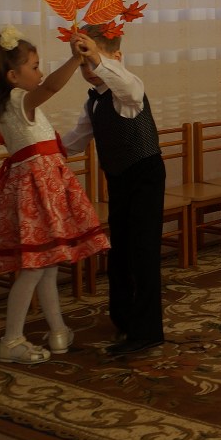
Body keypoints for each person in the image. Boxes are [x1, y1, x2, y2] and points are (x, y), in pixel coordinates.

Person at [0, 26, 110, 365]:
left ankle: (58, 330)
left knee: (47, 265)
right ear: (13, 76)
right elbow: (50, 86)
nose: (40, 73)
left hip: (42, 186)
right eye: (34, 66)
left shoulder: (14, 103)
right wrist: (74, 59)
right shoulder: (17, 99)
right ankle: (12, 340)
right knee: (35, 268)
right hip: (36, 190)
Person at [60, 24, 166, 358]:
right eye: (83, 64)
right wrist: (37, 148)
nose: (89, 68)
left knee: (143, 252)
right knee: (119, 251)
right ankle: (124, 318)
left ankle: (148, 332)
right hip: (119, 179)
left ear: (117, 56)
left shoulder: (129, 89)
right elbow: (74, 141)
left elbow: (129, 89)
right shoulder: (93, 103)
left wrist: (97, 57)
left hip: (145, 177)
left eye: (94, 60)